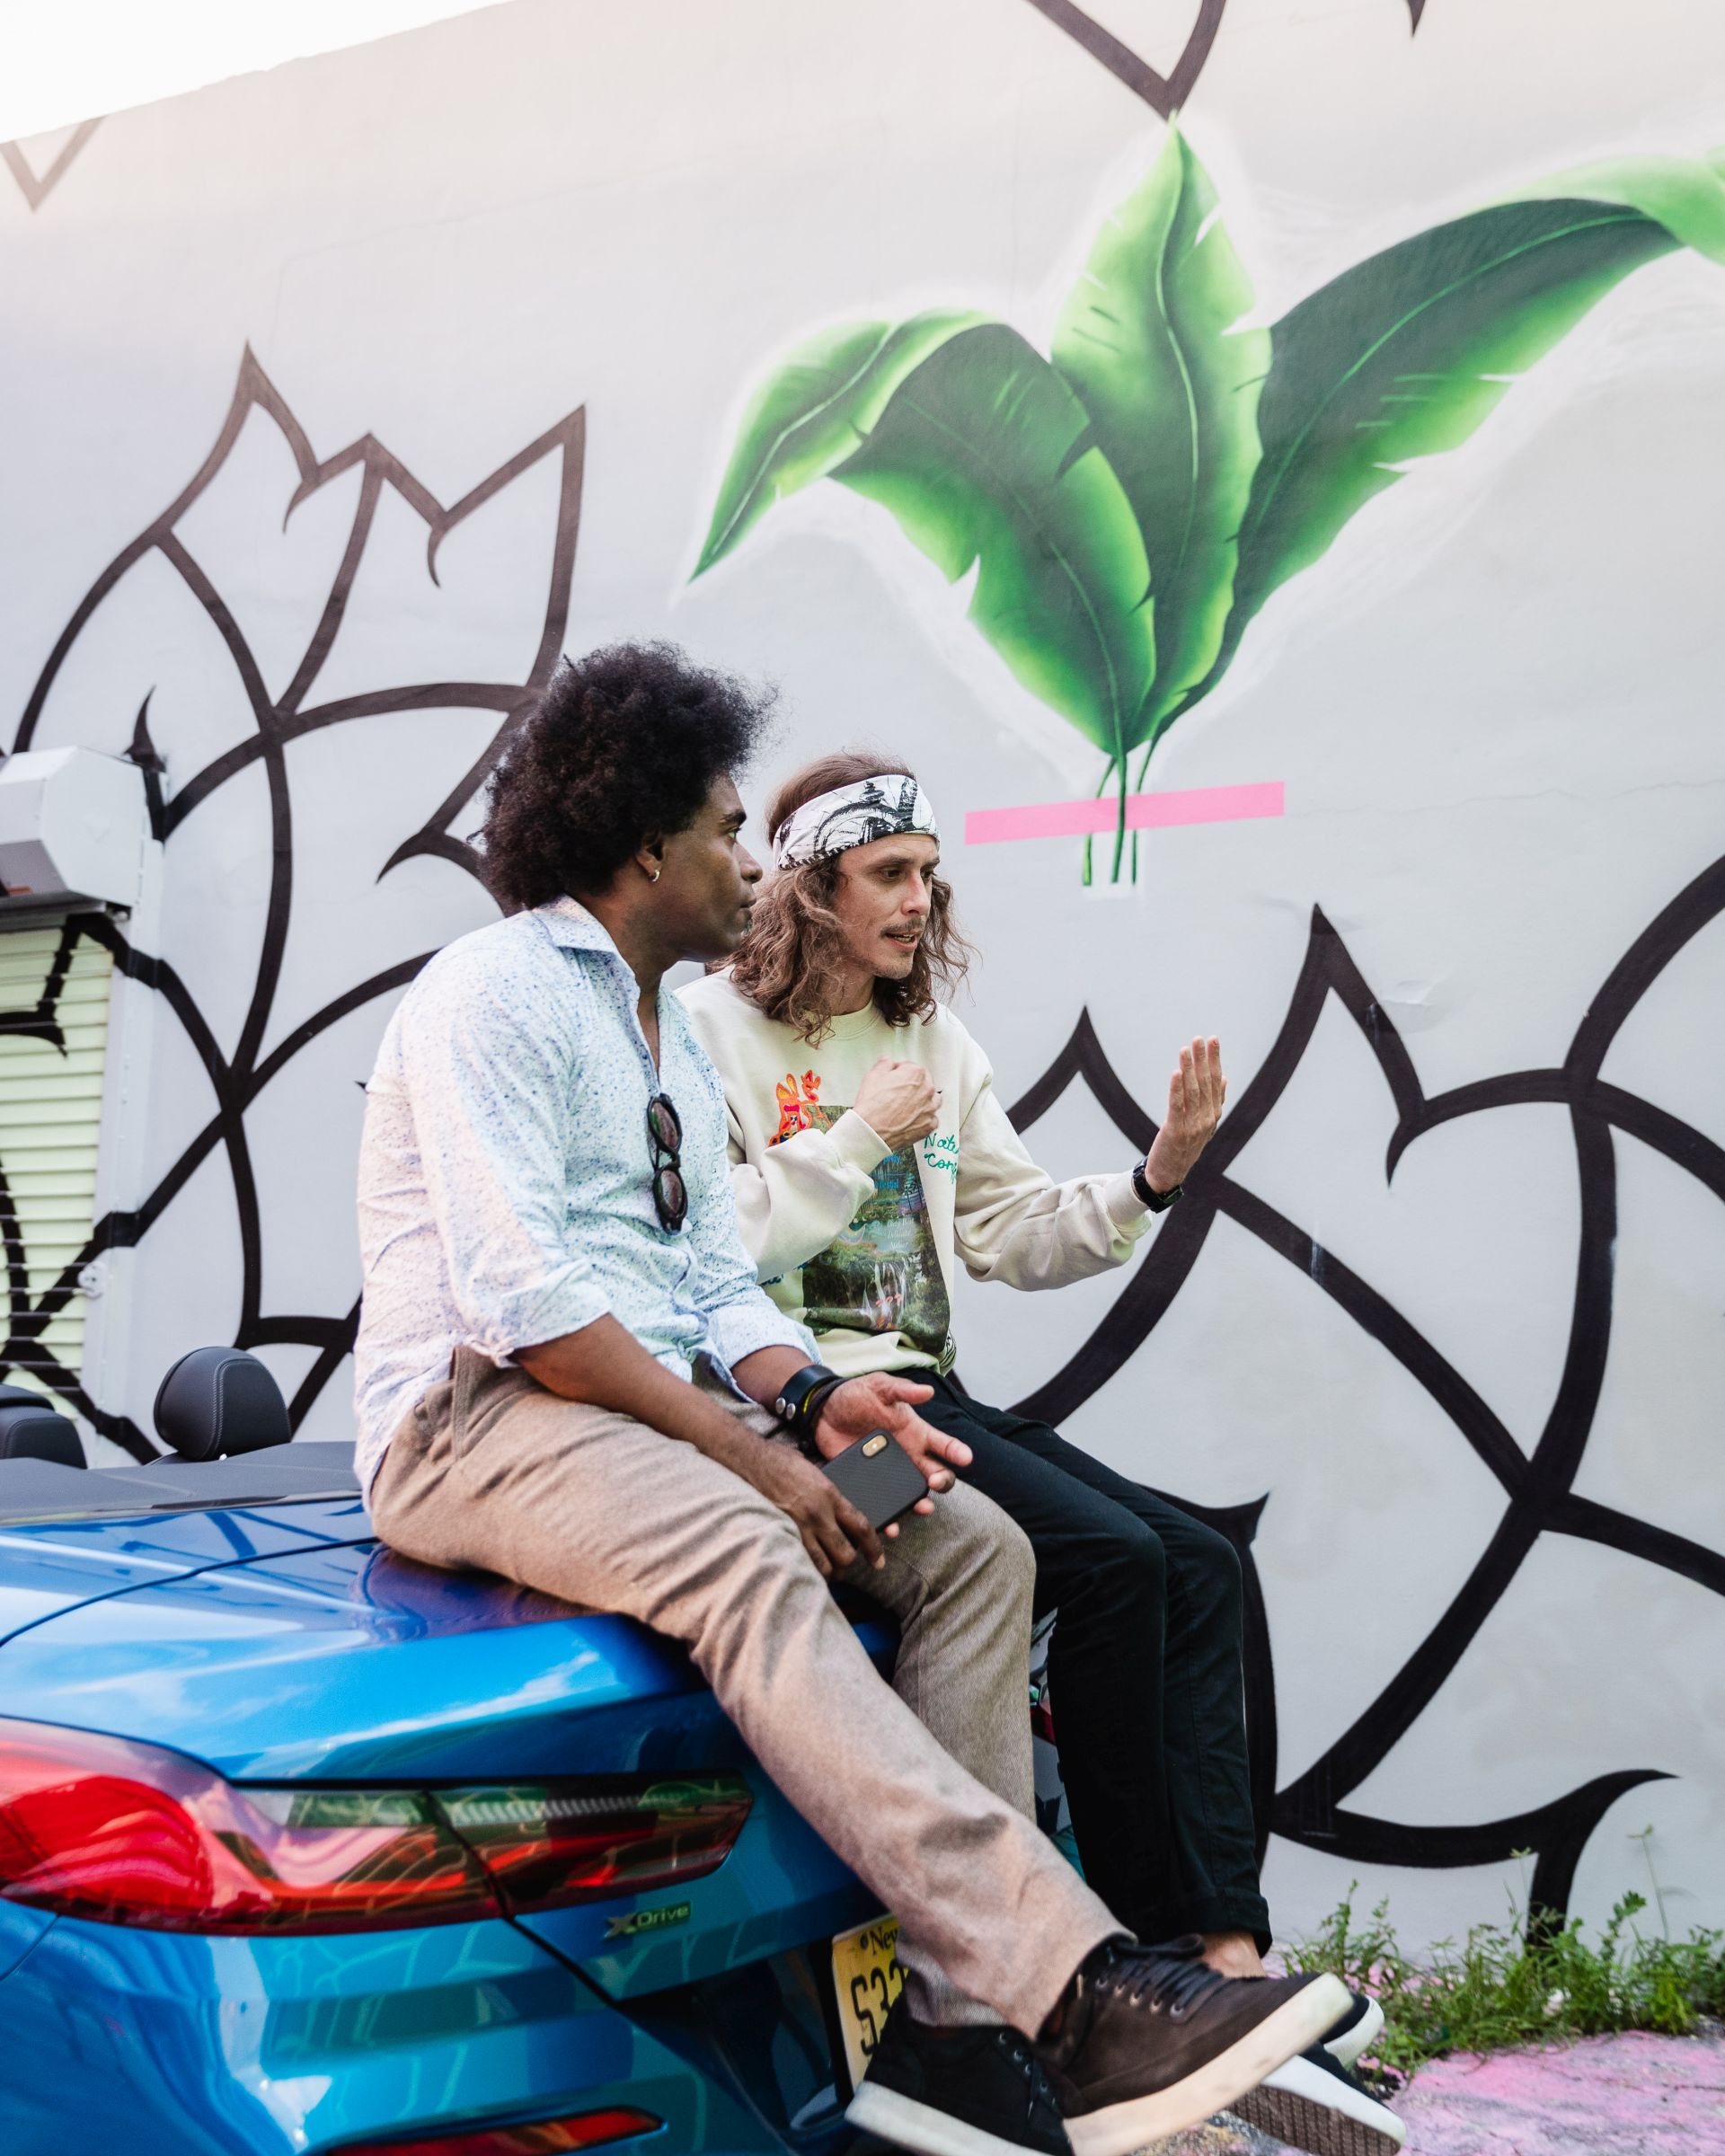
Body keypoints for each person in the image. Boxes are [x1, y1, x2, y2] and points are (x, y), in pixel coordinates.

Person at [352, 647, 1347, 2156]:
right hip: (485, 1422)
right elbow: (529, 1308)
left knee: (970, 1543)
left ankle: (956, 2039)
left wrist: (819, 1406)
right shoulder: (492, 992)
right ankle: (1065, 1989)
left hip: (684, 1413)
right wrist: (759, 1460)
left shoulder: (658, 1031)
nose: (745, 863)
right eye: (726, 831)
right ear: (646, 846)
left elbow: (711, 1286)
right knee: (760, 1549)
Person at [679, 752, 1403, 2156]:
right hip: (796, 1432)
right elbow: (716, 1259)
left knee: (1201, 1561)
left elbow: (1010, 1234)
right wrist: (854, 1138)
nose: (921, 897)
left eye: (928, 872)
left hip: (927, 1397)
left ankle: (1224, 1958)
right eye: (889, 873)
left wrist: (1152, 1177)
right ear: (811, 887)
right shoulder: (707, 1031)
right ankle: (1129, 1971)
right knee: (1113, 1558)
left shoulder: (934, 1041)